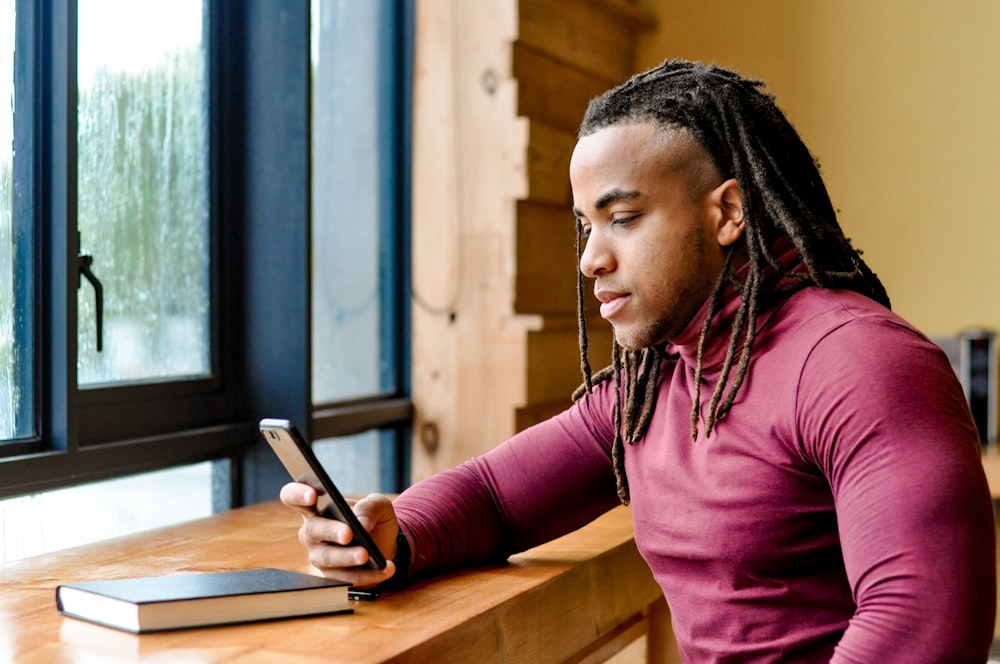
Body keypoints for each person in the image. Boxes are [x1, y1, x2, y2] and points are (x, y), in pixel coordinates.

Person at [281, 59, 997, 662]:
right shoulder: (657, 381)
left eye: (623, 219)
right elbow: (497, 498)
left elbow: (921, 627)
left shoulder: (858, 363)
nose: (592, 258)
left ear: (728, 212)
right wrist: (395, 539)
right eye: (586, 226)